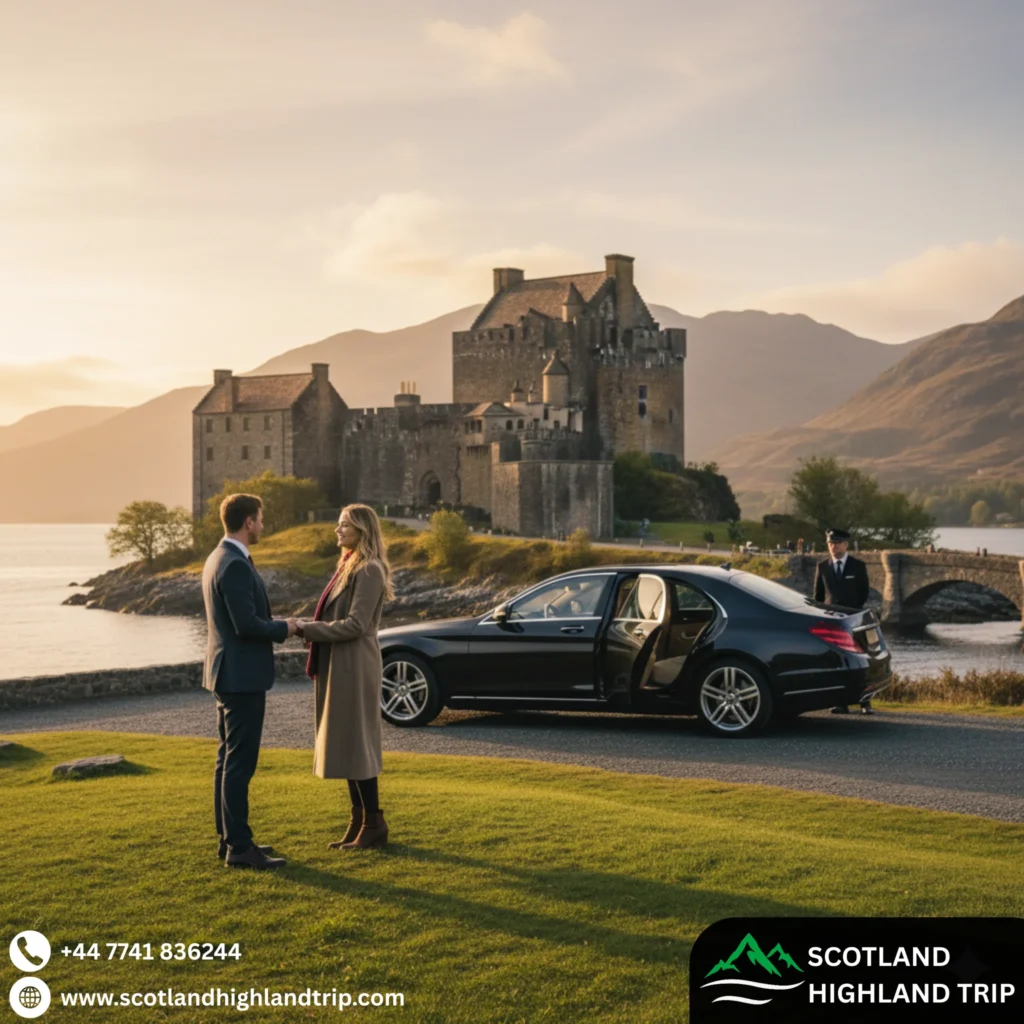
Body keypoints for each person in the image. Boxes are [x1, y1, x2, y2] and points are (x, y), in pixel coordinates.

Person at [202, 493, 298, 869]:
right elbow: (247, 626)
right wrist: (287, 627)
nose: (262, 525)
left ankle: (230, 841)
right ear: (248, 523)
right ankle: (240, 848)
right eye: (260, 519)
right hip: (241, 677)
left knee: (226, 761)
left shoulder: (216, 558)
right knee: (239, 764)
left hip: (225, 672)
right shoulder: (236, 565)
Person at [297, 504, 395, 850]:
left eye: (344, 526)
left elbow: (355, 625)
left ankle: (373, 824)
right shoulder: (348, 565)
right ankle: (359, 822)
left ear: (362, 530)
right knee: (347, 743)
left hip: (355, 663)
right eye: (338, 525)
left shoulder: (369, 570)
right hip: (341, 662)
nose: (337, 531)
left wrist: (307, 629)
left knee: (358, 745)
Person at [812, 527, 873, 715]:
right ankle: (840, 702)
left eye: (837, 543)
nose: (834, 546)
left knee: (862, 661)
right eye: (831, 543)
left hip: (854, 620)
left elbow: (864, 592)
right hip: (832, 622)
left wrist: (852, 612)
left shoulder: (857, 566)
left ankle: (865, 702)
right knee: (836, 662)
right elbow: (818, 597)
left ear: (845, 545)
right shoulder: (822, 566)